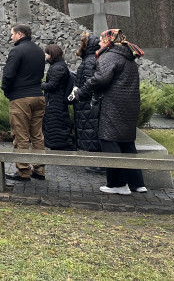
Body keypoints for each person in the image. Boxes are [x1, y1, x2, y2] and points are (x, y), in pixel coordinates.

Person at [71, 29, 147, 195]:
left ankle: (117, 184)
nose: (99, 43)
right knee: (127, 144)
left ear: (108, 41)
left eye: (101, 40)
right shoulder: (129, 56)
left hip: (112, 105)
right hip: (129, 105)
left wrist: (81, 92)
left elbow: (100, 79)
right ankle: (137, 183)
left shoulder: (109, 56)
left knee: (109, 141)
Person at [1, 23, 47, 182]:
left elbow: (8, 74)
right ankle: (39, 170)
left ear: (20, 34)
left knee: (20, 135)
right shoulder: (39, 51)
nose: (11, 37)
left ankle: (23, 171)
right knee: (37, 135)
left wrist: (6, 90)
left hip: (21, 98)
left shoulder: (17, 50)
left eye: (12, 34)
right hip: (38, 96)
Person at [74, 32, 104, 173]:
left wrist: (78, 94)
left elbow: (90, 83)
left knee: (92, 132)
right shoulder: (92, 59)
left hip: (88, 104)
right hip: (87, 104)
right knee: (91, 131)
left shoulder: (90, 61)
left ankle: (100, 164)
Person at [41, 44, 75, 151]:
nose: (45, 56)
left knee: (56, 127)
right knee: (55, 127)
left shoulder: (58, 68)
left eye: (47, 53)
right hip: (55, 102)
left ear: (52, 55)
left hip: (56, 103)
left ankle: (61, 149)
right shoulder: (58, 66)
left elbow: (52, 86)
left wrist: (38, 84)